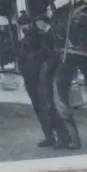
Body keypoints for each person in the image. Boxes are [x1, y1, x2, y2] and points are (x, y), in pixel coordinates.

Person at [17, 16, 69, 149]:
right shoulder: (22, 42)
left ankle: (63, 137)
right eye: (22, 25)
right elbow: (21, 60)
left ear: (31, 23)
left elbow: (50, 58)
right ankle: (49, 137)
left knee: (49, 107)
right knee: (39, 109)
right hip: (30, 80)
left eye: (26, 24)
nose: (24, 28)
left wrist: (44, 74)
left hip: (42, 79)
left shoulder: (41, 38)